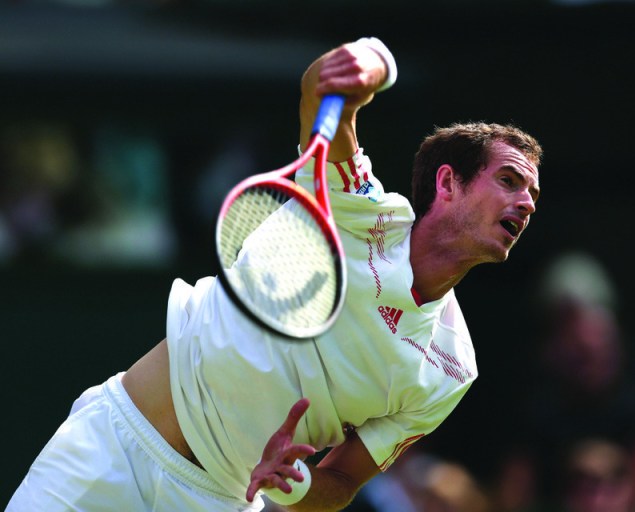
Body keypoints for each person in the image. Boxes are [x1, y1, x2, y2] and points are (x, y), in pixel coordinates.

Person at [7, 36, 542, 511]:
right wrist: (376, 60)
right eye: (510, 180)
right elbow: (321, 94)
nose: (526, 203)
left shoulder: (450, 370)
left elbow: (340, 483)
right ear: (448, 183)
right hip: (111, 448)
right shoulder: (358, 211)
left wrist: (293, 484)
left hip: (219, 502)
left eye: (533, 194)